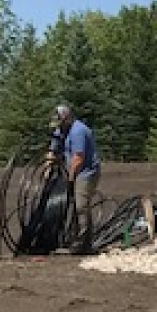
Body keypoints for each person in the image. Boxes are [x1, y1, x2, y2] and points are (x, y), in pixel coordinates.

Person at [50, 104, 101, 254]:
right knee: (70, 205)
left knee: (80, 206)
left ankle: (83, 244)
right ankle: (74, 238)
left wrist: (70, 179)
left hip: (86, 173)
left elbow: (78, 158)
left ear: (66, 119)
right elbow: (53, 149)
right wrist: (48, 166)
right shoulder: (62, 130)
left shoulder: (78, 131)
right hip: (74, 170)